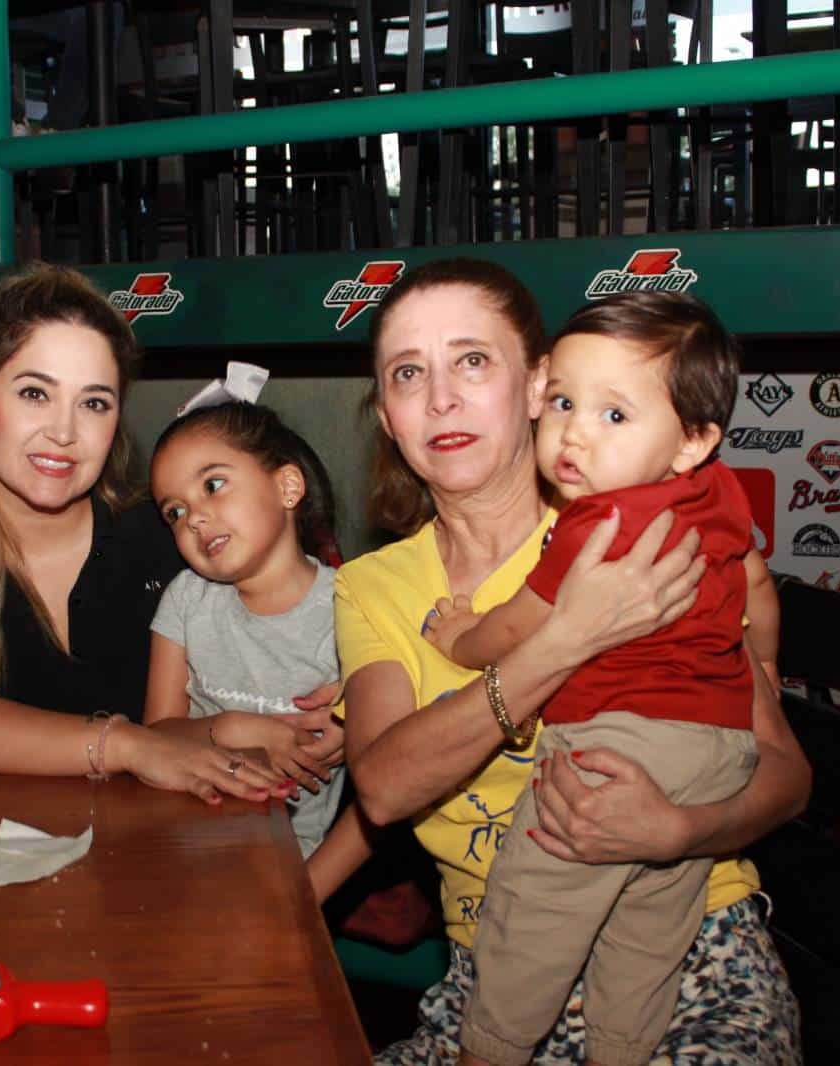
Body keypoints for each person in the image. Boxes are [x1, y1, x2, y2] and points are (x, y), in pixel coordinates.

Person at [335, 258, 809, 1064]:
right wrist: (565, 640)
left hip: (690, 950)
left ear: (536, 385)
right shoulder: (372, 585)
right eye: (408, 373)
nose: (441, 397)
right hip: (501, 966)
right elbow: (382, 788)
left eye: (472, 361)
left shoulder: (650, 527)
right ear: (386, 414)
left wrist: (679, 830)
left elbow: (785, 775)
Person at [0, 263, 312, 803]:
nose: (65, 432)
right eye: (34, 394)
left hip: (159, 867)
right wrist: (126, 746)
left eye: (93, 403)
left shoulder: (171, 536)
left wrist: (344, 687)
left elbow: (296, 607)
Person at [143, 389, 361, 899]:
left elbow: (394, 748)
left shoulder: (355, 606)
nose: (193, 518)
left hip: (287, 864)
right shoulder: (186, 601)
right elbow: (156, 734)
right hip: (174, 845)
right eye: (174, 512)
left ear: (287, 486)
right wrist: (233, 728)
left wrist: (355, 722)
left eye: (213, 485)